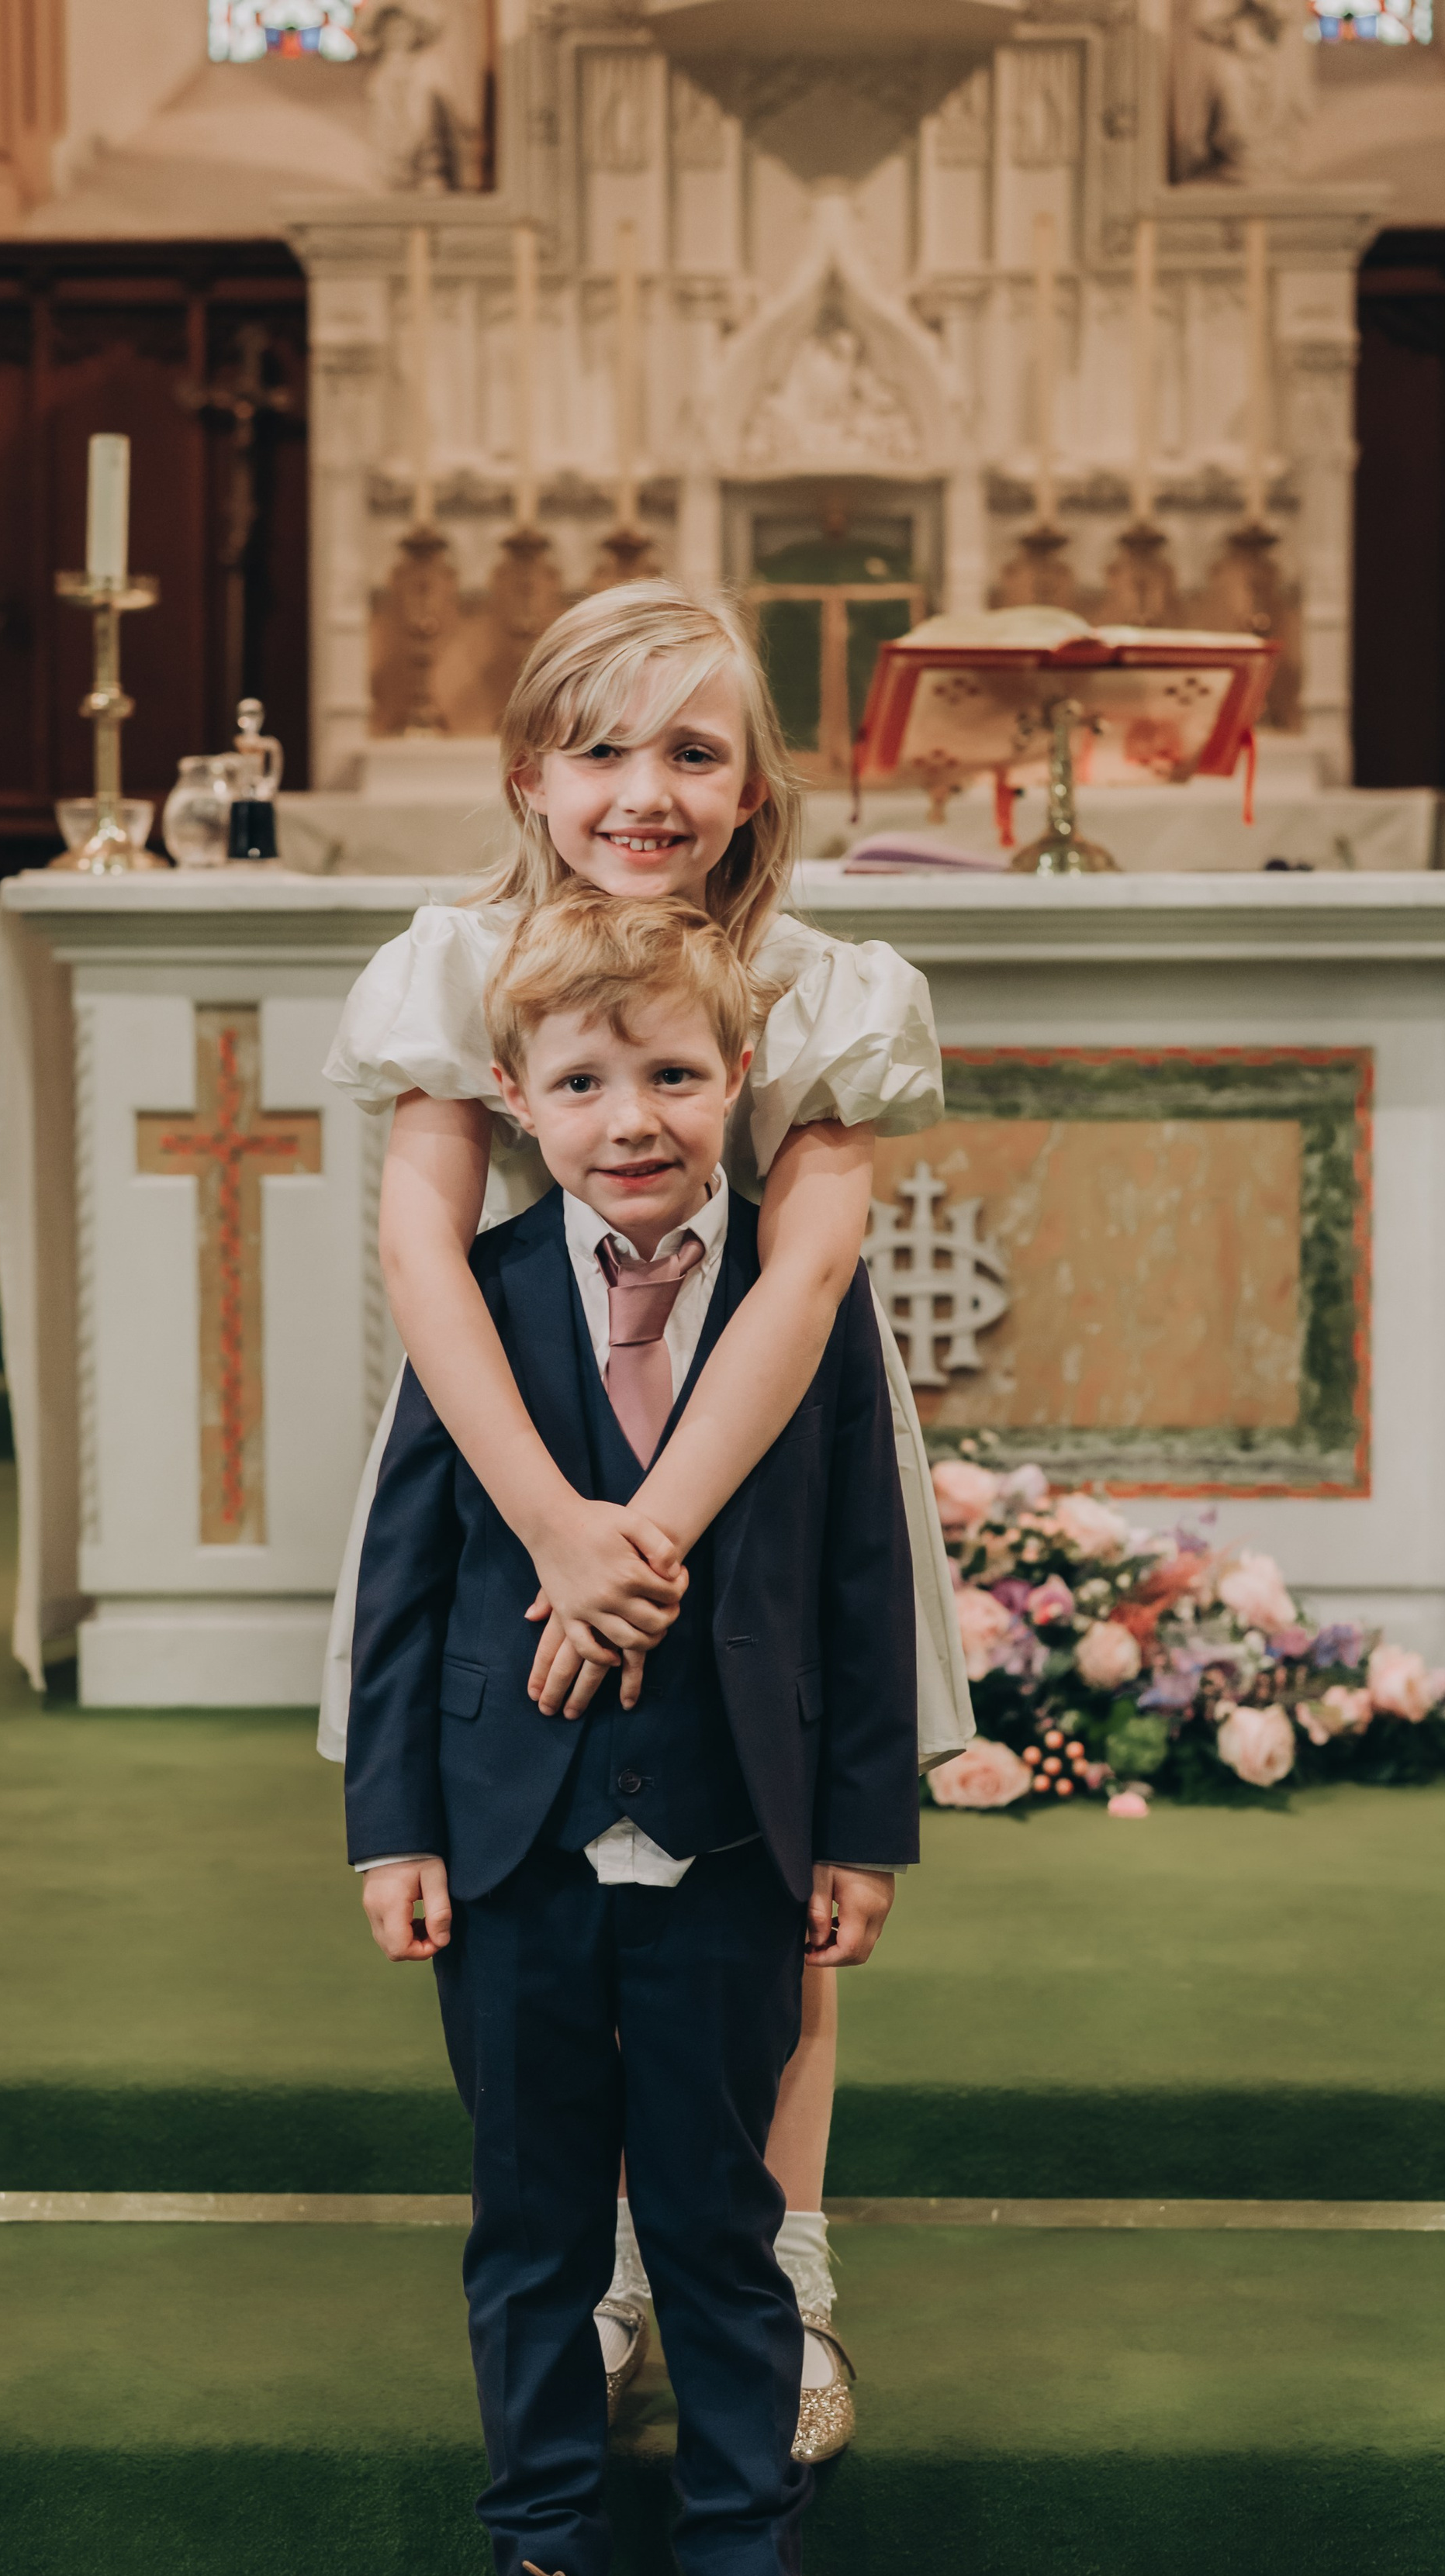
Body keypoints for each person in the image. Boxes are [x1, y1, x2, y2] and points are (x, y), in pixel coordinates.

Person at [320, 580, 971, 2458]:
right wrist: (551, 1525)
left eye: (694, 751)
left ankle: (787, 2268)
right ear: (530, 775)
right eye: (603, 748)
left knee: (759, 1881)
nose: (645, 790)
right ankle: (605, 2281)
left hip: (753, 1462)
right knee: (557, 1875)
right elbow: (420, 1248)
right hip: (518, 1443)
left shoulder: (824, 987)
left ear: (756, 787)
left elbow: (812, 1267)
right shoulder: (458, 965)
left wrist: (646, 1532)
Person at [348, 891, 914, 2576]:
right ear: (512, 1093)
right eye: (582, 1080)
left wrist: (859, 1828)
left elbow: (853, 1581)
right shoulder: (483, 1300)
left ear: (738, 1074)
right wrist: (390, 1827)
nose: (633, 1116)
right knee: (530, 2236)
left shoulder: (792, 1306)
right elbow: (410, 1576)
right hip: (508, 1848)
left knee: (722, 2229)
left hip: (738, 1847)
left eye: (673, 1072)